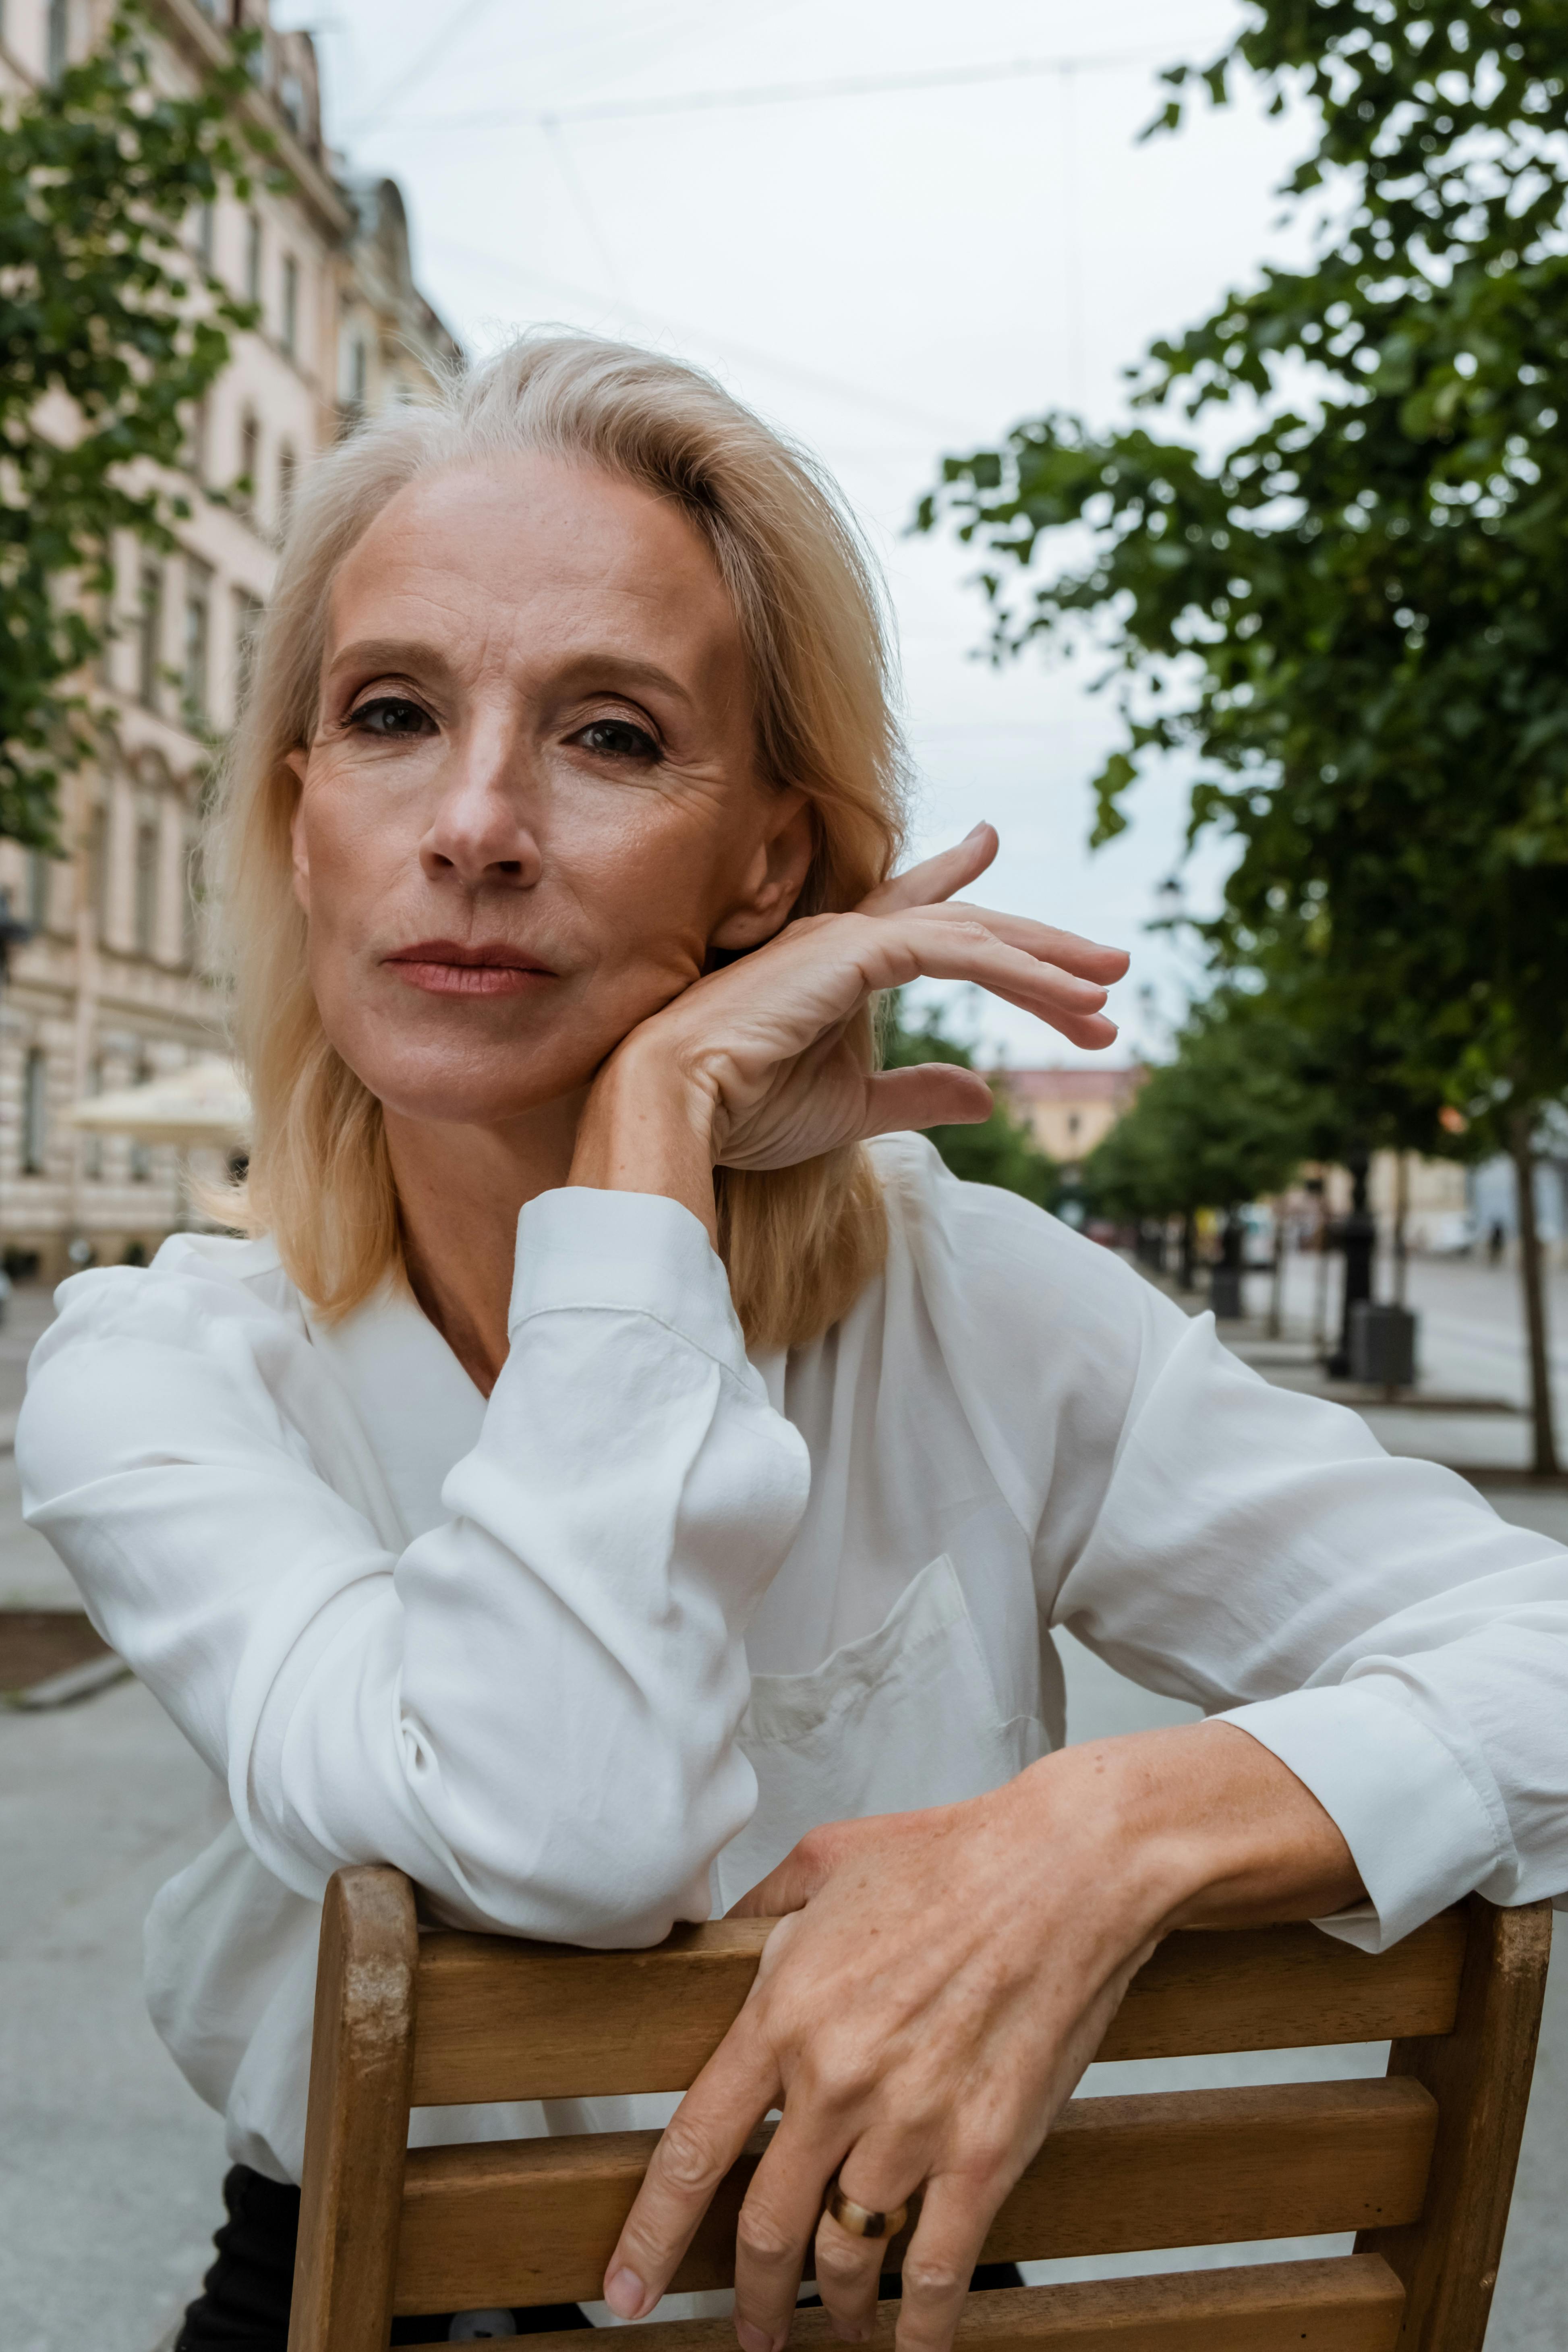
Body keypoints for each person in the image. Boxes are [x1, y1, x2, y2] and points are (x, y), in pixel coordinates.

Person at [19, 336, 1568, 2352]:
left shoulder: (973, 1298)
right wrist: (647, 1135)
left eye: (607, 735)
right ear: (301, 812)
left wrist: (1087, 1832)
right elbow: (564, 1829)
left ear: (768, 854)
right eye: (391, 713)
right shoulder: (163, 1370)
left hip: (896, 2301)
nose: (476, 820)